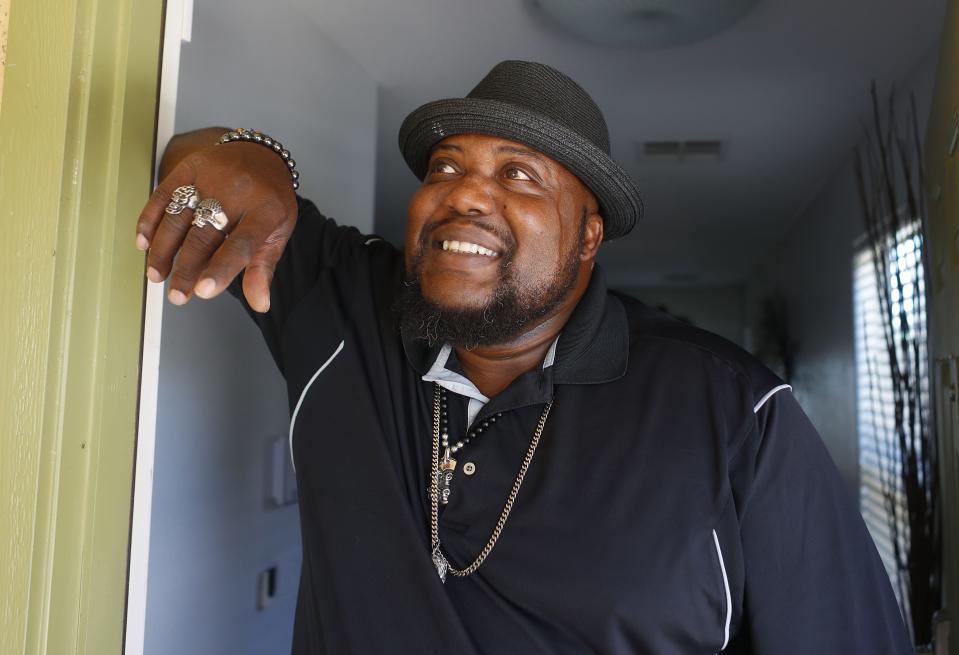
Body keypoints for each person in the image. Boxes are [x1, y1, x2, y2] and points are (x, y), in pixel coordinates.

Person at [136, 61, 912, 654]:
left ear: (587, 236)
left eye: (518, 175)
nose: (465, 195)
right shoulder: (349, 314)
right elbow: (207, 167)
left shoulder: (734, 413)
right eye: (445, 167)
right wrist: (256, 156)